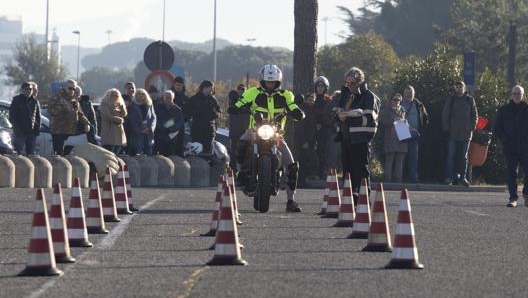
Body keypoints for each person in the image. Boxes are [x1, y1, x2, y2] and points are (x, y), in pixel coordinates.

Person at [233, 64, 305, 212]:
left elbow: (293, 107)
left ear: (278, 82)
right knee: (241, 142)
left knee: (291, 166)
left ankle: (291, 200)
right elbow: (240, 103)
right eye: (268, 81)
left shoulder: (286, 95)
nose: (270, 84)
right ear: (262, 81)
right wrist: (236, 107)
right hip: (255, 130)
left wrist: (298, 112)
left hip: (277, 134)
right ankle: (240, 171)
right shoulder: (253, 92)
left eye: (273, 82)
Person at [335, 67, 380, 195]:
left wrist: (348, 116)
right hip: (346, 138)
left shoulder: (369, 97)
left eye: (353, 83)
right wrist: (339, 115)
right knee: (347, 172)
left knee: (360, 170)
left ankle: (363, 200)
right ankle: (349, 202)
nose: (350, 87)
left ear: (360, 82)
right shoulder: (347, 95)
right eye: (347, 84)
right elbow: (337, 115)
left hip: (361, 139)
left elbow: (369, 118)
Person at [494, 85, 528, 207]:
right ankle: (513, 199)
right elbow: (497, 127)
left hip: (525, 147)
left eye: (519, 93)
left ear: (523, 95)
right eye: (515, 93)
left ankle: (526, 193)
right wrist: (504, 139)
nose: (517, 96)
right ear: (511, 95)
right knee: (511, 173)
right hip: (510, 147)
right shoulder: (504, 110)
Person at [441, 81, 478, 186]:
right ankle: (449, 178)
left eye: (461, 86)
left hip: (466, 135)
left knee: (464, 157)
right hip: (453, 133)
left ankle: (463, 178)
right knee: (451, 156)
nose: (459, 88)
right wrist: (446, 129)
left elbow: (475, 116)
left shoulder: (470, 100)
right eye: (457, 87)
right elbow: (445, 114)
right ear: (455, 88)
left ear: (465, 88)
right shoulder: (451, 99)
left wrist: (471, 128)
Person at [47, 79, 91, 155]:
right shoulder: (57, 97)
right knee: (58, 154)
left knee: (67, 155)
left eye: (73, 89)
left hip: (70, 130)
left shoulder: (73, 100)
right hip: (59, 130)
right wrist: (64, 109)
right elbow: (51, 110)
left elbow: (80, 114)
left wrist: (87, 123)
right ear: (64, 87)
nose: (72, 90)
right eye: (70, 88)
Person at [401, 85, 428, 183]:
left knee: (413, 157)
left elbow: (425, 118)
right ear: (404, 94)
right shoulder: (400, 103)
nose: (409, 95)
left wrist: (422, 130)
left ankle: (413, 177)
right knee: (401, 156)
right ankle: (400, 177)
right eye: (407, 93)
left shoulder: (418, 104)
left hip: (415, 133)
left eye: (410, 93)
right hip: (402, 131)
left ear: (414, 94)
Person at [185, 80, 221, 155]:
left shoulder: (213, 100)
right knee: (196, 152)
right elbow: (187, 111)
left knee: (208, 153)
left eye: (212, 89)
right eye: (210, 89)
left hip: (209, 131)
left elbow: (219, 112)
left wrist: (214, 114)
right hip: (197, 131)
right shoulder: (194, 99)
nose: (211, 91)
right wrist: (199, 112)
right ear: (204, 88)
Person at [380, 93, 407, 183]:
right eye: (395, 100)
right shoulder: (386, 110)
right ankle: (388, 180)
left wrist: (404, 122)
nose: (396, 102)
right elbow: (383, 122)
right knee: (390, 159)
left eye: (398, 100)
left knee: (400, 160)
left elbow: (405, 122)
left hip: (401, 136)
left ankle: (398, 180)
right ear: (391, 101)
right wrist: (393, 120)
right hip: (390, 137)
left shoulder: (403, 110)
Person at [294, 92, 319, 186]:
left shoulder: (312, 110)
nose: (311, 101)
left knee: (308, 161)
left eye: (313, 99)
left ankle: (303, 179)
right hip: (303, 141)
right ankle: (300, 181)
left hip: (310, 141)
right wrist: (303, 141)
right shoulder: (303, 109)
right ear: (306, 99)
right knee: (302, 161)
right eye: (309, 99)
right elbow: (300, 127)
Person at [9, 81, 41, 155]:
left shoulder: (35, 101)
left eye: (30, 89)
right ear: (22, 90)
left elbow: (38, 117)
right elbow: (12, 116)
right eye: (27, 89)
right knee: (17, 153)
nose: (29, 91)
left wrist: (36, 130)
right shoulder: (17, 100)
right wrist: (17, 130)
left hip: (31, 133)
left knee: (31, 154)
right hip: (20, 133)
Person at [312, 76, 333, 178]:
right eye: (318, 86)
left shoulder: (329, 100)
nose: (320, 88)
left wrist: (323, 123)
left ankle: (321, 172)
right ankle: (311, 172)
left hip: (324, 129)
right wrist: (315, 124)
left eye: (322, 86)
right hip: (312, 129)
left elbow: (330, 115)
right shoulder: (312, 99)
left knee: (323, 151)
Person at [154, 90, 184, 156]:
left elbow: (180, 122)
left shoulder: (177, 109)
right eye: (166, 97)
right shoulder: (157, 108)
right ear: (163, 98)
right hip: (160, 136)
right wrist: (163, 128)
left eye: (170, 97)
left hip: (173, 137)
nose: (168, 99)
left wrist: (172, 129)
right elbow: (154, 120)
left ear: (173, 98)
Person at [99, 88, 127, 154]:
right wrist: (119, 120)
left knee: (117, 151)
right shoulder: (104, 104)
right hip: (109, 130)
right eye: (113, 95)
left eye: (116, 96)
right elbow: (107, 116)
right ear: (108, 95)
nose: (114, 97)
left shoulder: (118, 105)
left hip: (118, 131)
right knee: (109, 152)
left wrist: (122, 105)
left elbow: (124, 114)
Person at [227, 83, 249, 170]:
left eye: (244, 90)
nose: (242, 92)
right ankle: (233, 171)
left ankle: (244, 170)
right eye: (240, 90)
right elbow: (232, 108)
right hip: (235, 132)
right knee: (234, 153)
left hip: (246, 131)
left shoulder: (249, 101)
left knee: (246, 153)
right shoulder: (233, 99)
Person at [132, 88, 157, 156]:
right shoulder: (132, 106)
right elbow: (132, 121)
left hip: (148, 134)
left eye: (143, 94)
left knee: (149, 153)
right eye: (139, 94)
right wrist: (140, 130)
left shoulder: (149, 105)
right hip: (137, 135)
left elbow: (153, 117)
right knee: (138, 154)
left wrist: (151, 128)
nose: (141, 95)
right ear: (135, 95)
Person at [171, 76, 190, 154]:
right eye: (177, 84)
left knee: (180, 143)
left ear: (183, 86)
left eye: (180, 85)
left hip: (181, 124)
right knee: (169, 142)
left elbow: (189, 113)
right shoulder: (169, 97)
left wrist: (183, 119)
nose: (178, 87)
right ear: (174, 85)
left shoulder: (186, 99)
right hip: (170, 123)